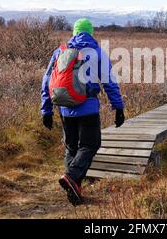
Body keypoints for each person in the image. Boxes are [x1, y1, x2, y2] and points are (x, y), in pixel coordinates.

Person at [41, 18, 125, 205]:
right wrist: (118, 107)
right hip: (87, 107)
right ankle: (71, 177)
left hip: (65, 108)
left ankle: (74, 190)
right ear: (91, 33)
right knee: (90, 144)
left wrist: (46, 110)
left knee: (71, 147)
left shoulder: (60, 52)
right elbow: (109, 82)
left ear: (74, 33)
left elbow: (47, 81)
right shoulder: (96, 52)